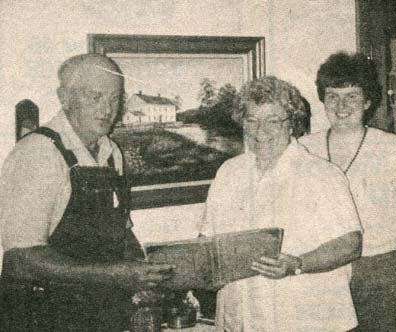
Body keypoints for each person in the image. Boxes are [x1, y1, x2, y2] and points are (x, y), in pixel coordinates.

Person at [0, 53, 173, 332]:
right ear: (64, 97)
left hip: (98, 314)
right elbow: (21, 260)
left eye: (114, 98)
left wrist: (144, 274)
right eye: (95, 97)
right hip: (41, 316)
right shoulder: (38, 154)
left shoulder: (111, 152)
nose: (107, 109)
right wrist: (115, 275)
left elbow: (120, 230)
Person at [200, 76, 363, 332]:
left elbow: (350, 244)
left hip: (304, 318)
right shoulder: (228, 172)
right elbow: (207, 240)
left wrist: (297, 264)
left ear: (291, 125)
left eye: (272, 121)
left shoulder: (322, 175)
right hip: (240, 316)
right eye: (251, 120)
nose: (260, 131)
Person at [298, 52, 396, 332]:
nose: (341, 106)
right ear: (323, 99)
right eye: (332, 96)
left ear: (367, 101)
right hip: (324, 272)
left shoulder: (392, 150)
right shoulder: (304, 149)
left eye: (352, 96)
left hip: (380, 276)